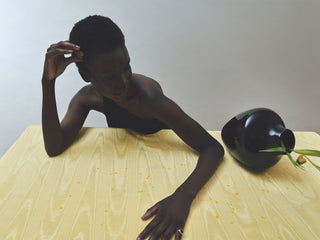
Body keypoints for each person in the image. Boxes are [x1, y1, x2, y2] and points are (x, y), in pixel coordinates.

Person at [41, 15, 224, 240]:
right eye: (109, 77)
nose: (123, 81)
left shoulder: (149, 98)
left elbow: (212, 148)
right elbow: (54, 147)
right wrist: (48, 82)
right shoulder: (87, 98)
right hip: (127, 173)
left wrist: (182, 197)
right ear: (86, 75)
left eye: (126, 67)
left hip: (164, 166)